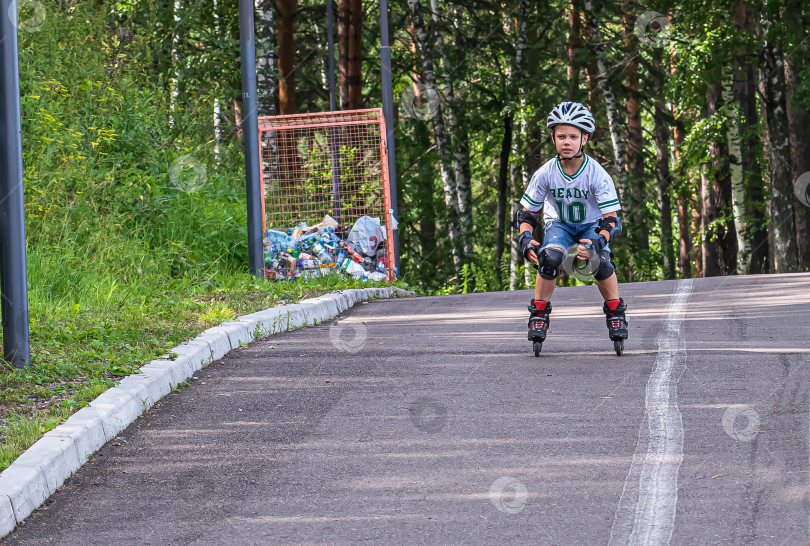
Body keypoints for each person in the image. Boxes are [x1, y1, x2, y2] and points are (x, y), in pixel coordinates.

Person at [516, 101, 628, 348]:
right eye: (561, 136)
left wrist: (599, 241)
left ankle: (616, 312)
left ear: (584, 139)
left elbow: (612, 220)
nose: (566, 142)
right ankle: (539, 313)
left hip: (591, 225)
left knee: (600, 262)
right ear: (553, 138)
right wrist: (525, 239)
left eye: (573, 137)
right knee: (549, 259)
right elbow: (527, 214)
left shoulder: (596, 173)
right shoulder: (545, 172)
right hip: (560, 225)